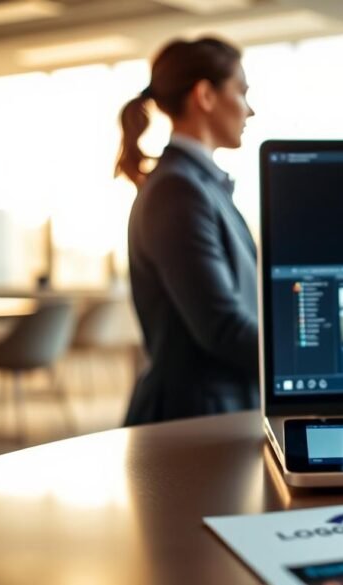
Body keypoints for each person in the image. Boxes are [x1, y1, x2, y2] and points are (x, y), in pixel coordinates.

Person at [117, 37, 257, 425]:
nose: (251, 109)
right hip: (195, 418)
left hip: (213, 411)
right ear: (205, 96)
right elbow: (223, 326)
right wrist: (307, 366)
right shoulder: (178, 191)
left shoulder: (197, 185)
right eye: (241, 91)